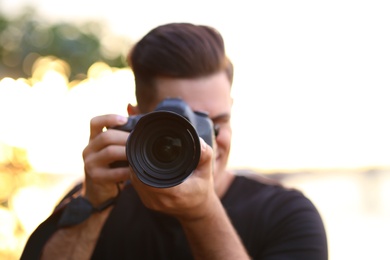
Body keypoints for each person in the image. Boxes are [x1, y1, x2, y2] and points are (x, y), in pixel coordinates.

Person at [21, 23, 328, 260]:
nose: (206, 142)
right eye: (183, 126)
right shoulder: (95, 201)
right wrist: (93, 204)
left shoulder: (286, 215)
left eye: (216, 123)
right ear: (136, 120)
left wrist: (202, 211)